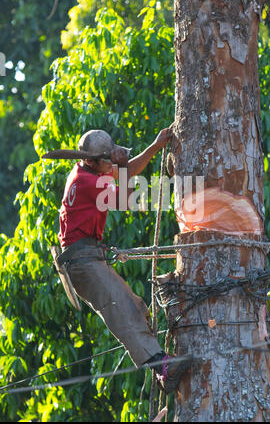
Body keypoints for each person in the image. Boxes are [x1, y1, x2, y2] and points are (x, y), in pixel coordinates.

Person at [42, 128, 191, 394]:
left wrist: (155, 147)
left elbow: (127, 172)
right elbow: (127, 198)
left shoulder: (89, 172)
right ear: (93, 160)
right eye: (107, 162)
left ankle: (163, 370)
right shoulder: (86, 181)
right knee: (122, 309)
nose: (110, 166)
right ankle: (162, 366)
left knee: (136, 306)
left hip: (89, 258)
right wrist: (121, 165)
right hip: (82, 262)